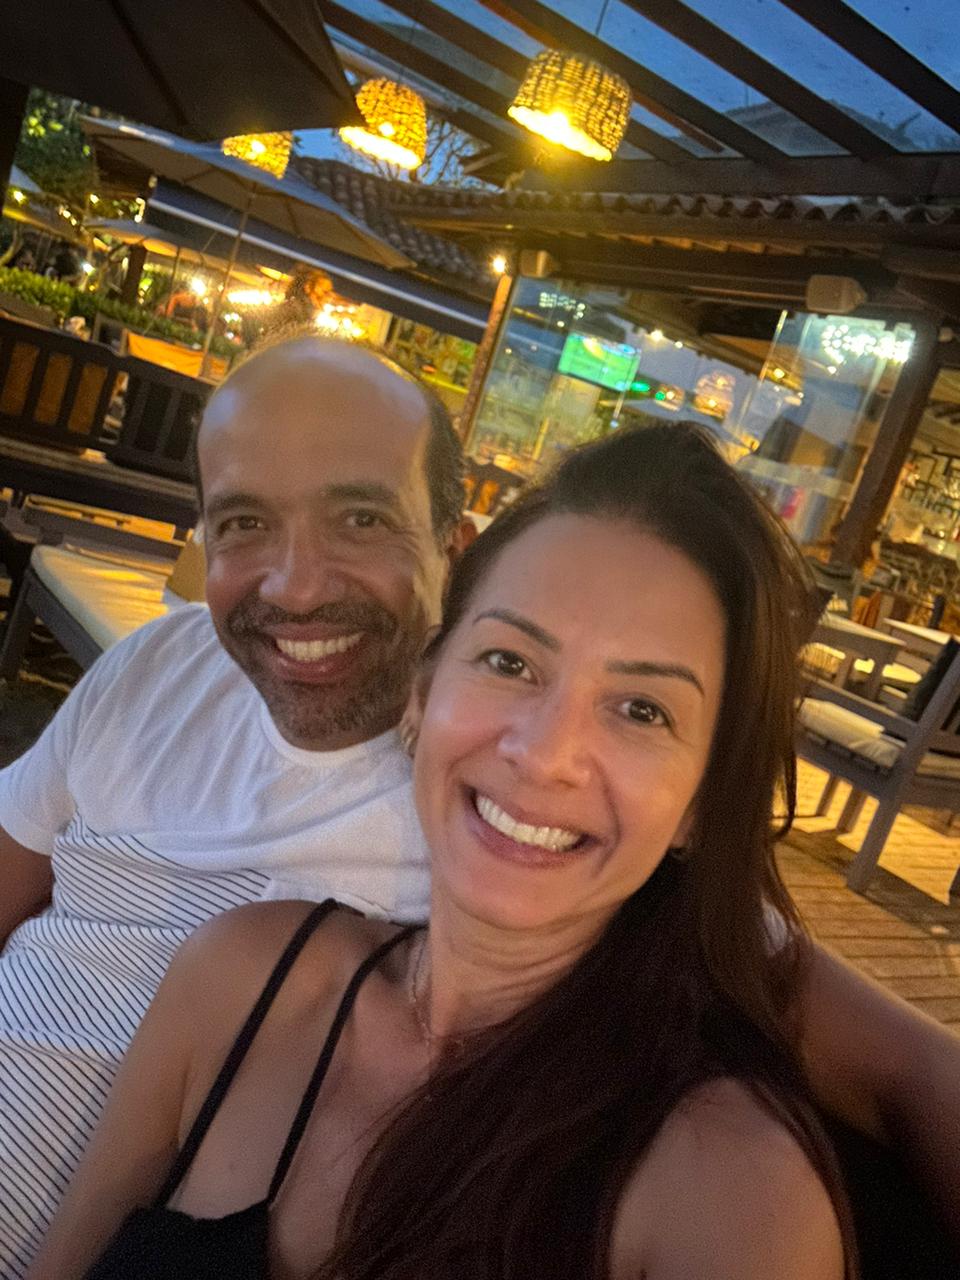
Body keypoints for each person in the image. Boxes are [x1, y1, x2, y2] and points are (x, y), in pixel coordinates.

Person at [2, 337, 959, 1273]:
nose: (295, 585)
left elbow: (912, 1070)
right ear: (430, 690)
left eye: (642, 709)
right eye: (509, 661)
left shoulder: (716, 1182)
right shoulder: (225, 894)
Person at [0, 337, 468, 1276]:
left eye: (362, 518)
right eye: (245, 522)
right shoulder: (160, 666)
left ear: (453, 548)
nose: (296, 586)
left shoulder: (496, 796)